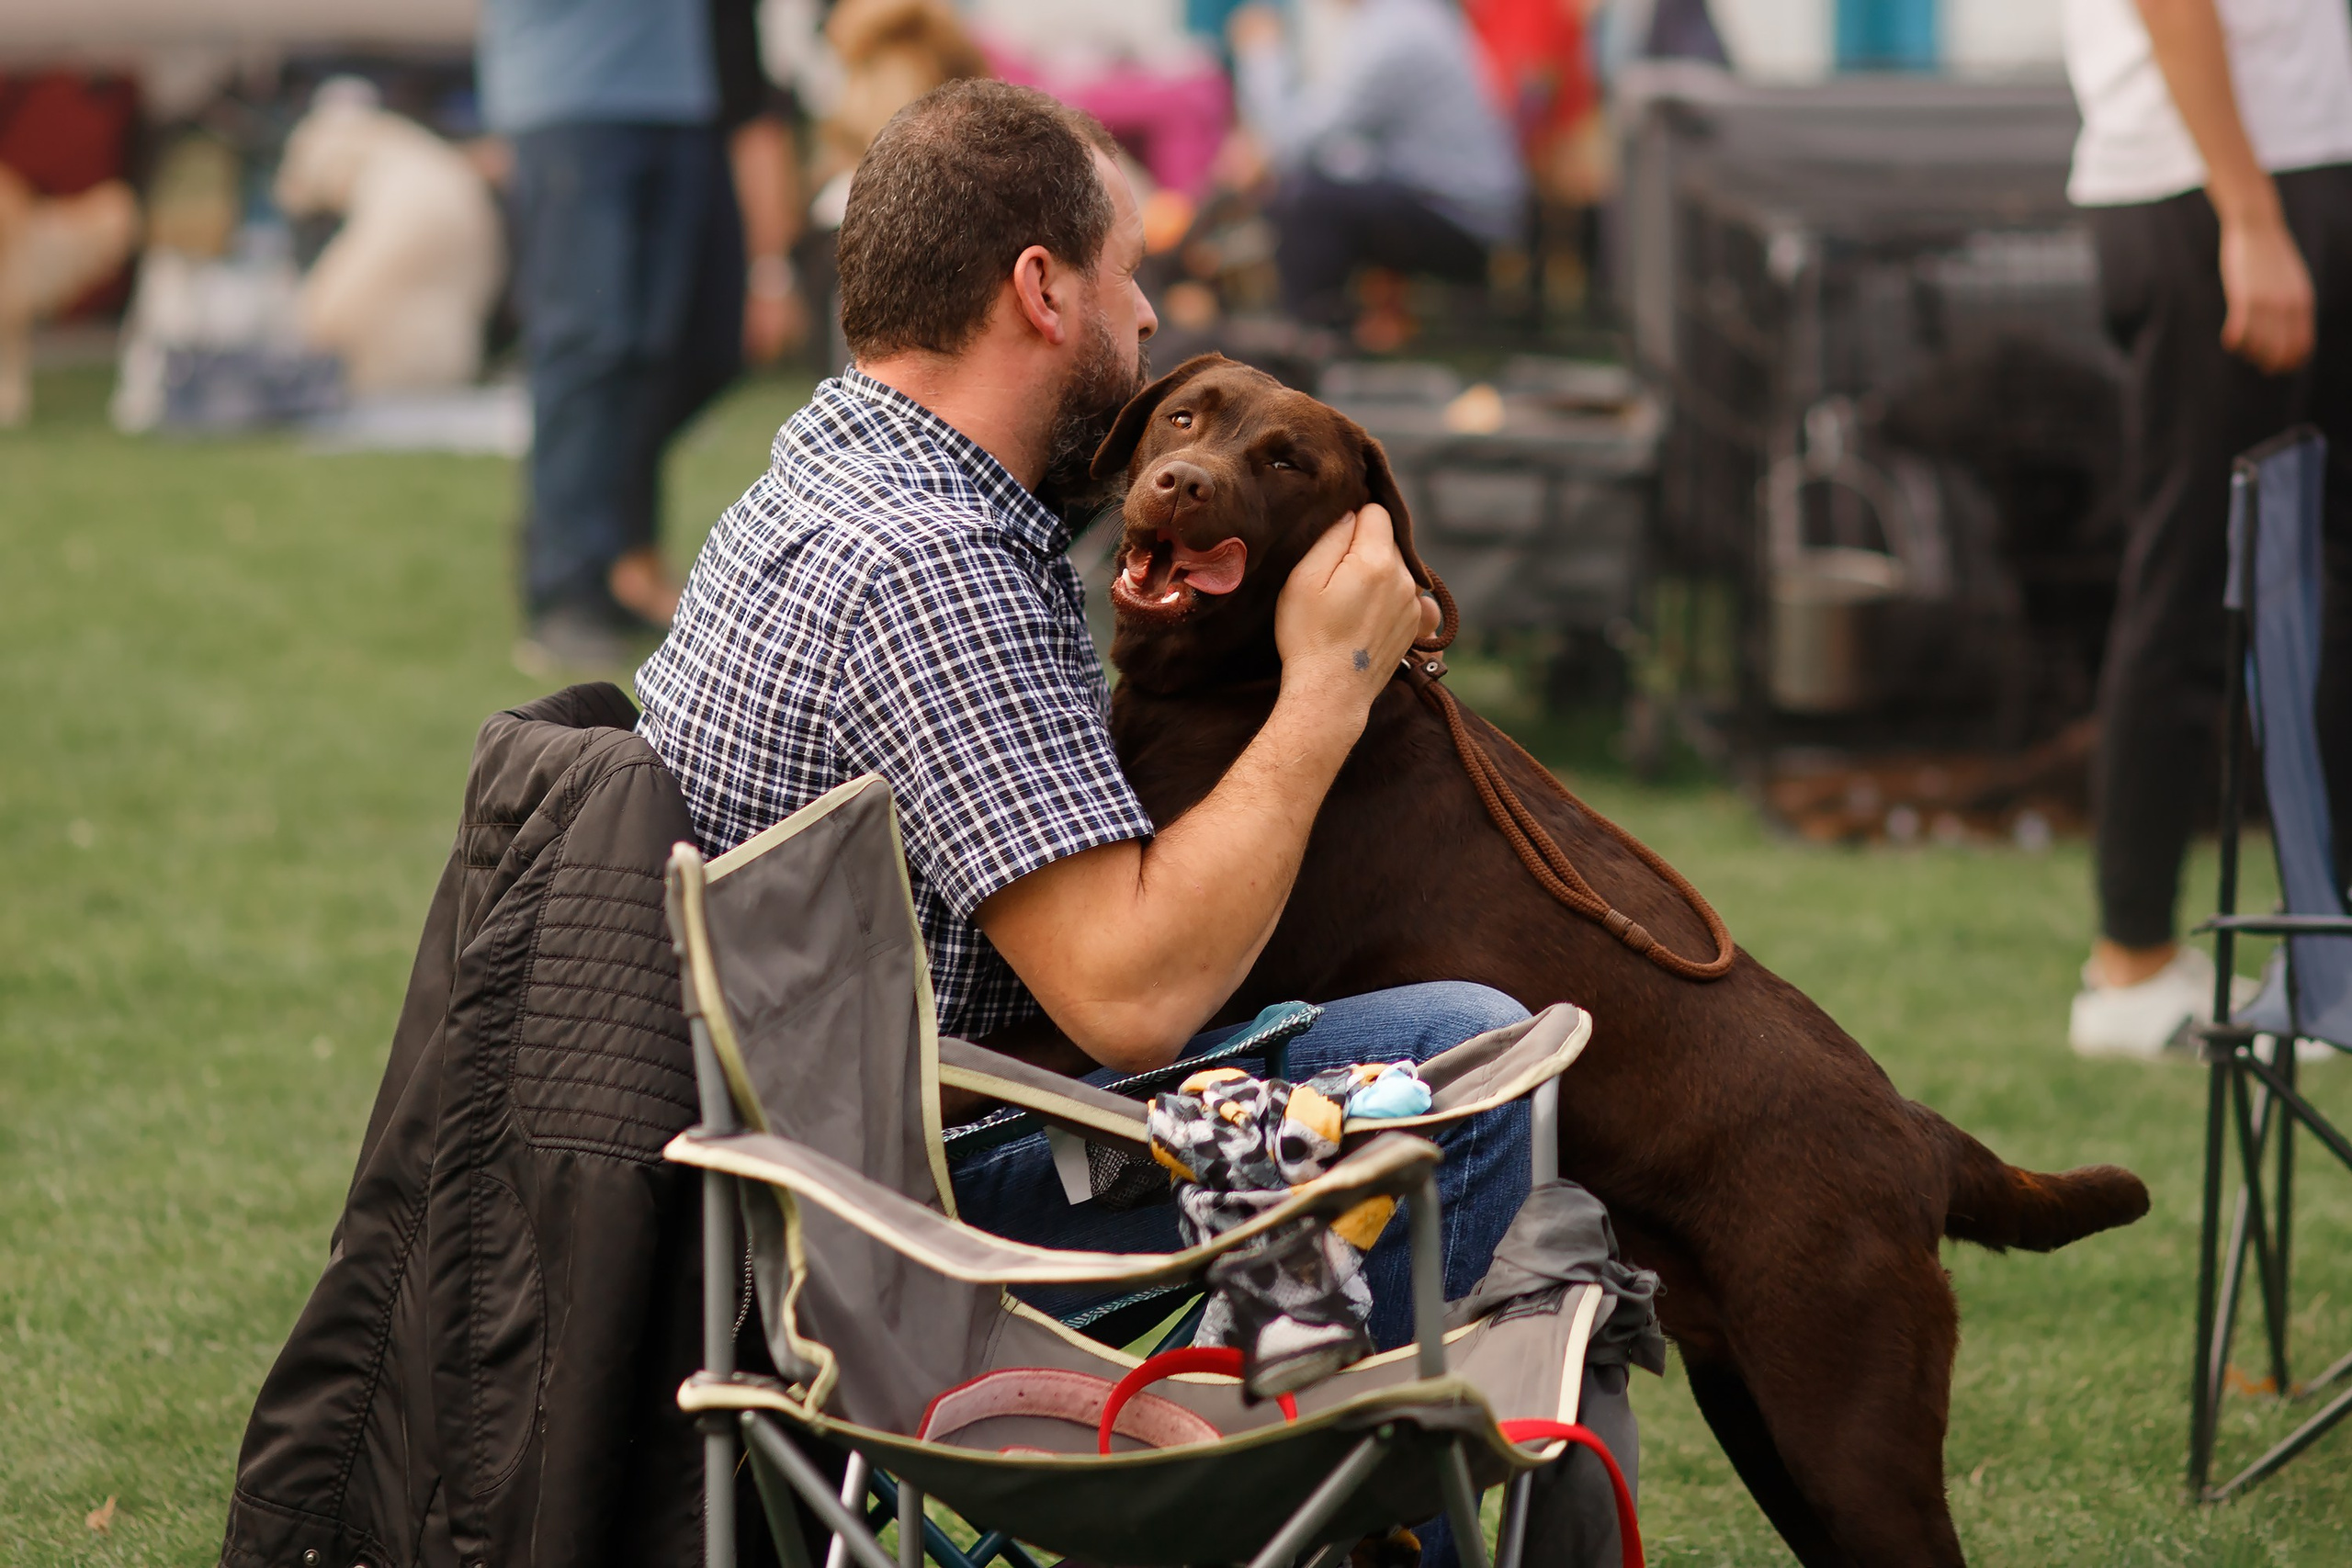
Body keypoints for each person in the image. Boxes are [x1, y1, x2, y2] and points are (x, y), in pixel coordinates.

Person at [636, 78, 1532, 1367]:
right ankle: (1356, 1509)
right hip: (908, 1216)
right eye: (1130, 275)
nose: (1153, 319)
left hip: (787, 1164)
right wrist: (1331, 683)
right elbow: (1133, 995)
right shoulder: (933, 568)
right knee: (1465, 1056)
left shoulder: (822, 473)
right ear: (1044, 290)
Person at [2061, 0, 2352, 1055]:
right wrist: (2251, 215)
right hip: (2209, 190)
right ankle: (2129, 968)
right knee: (2190, 579)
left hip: (2294, 168)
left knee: (2324, 572)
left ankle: (2325, 955)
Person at [481, 0, 745, 671]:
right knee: (588, 344)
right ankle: (566, 590)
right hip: (572, 94)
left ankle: (619, 560)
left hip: (680, 94)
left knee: (684, 346)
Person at [1226, 0, 1525, 336]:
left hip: (1467, 220)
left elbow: (1291, 142)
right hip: (1455, 205)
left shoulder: (1393, 33)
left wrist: (1260, 52)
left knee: (1306, 199)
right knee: (1311, 189)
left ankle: (1310, 347)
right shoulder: (1406, 17)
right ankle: (1329, 336)